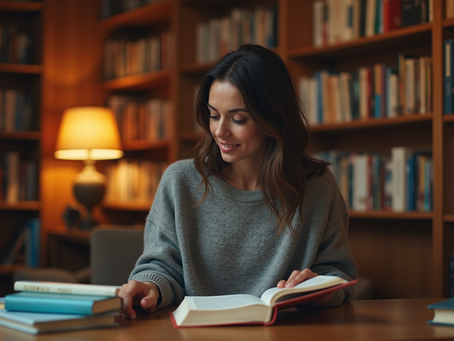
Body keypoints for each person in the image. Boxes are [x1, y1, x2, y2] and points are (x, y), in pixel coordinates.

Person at [119, 44, 356, 319]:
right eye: (214, 115)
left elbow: (338, 274)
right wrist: (150, 286)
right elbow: (161, 268)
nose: (220, 131)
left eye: (238, 119)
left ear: (274, 118)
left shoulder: (318, 187)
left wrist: (320, 290)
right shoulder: (180, 182)